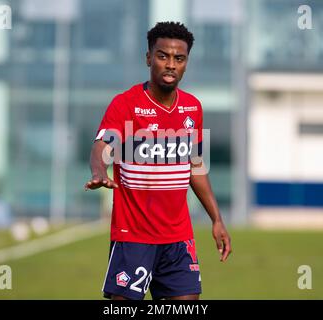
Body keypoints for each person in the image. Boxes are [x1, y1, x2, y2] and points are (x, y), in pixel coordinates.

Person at [85, 21, 232, 300]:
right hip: (133, 238)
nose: (171, 64)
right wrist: (98, 170)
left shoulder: (193, 107)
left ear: (186, 63)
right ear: (149, 58)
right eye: (163, 56)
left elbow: (195, 167)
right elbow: (102, 145)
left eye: (179, 58)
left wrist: (217, 218)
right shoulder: (125, 104)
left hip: (178, 238)